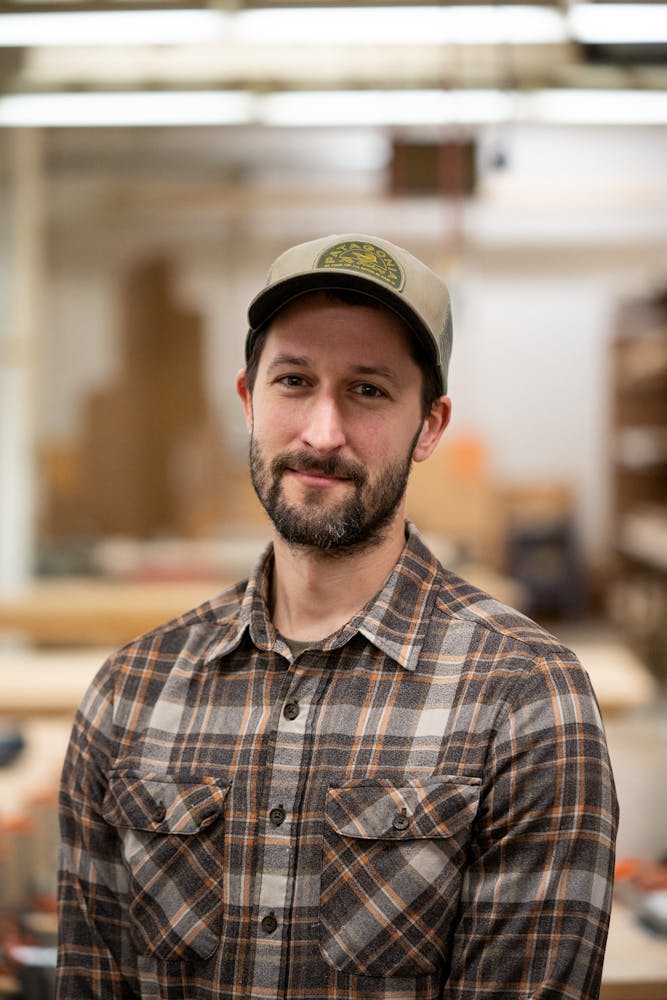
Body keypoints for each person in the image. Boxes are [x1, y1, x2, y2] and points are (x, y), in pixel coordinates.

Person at [57, 233, 618, 1000]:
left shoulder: (525, 700)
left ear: (429, 424)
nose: (322, 433)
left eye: (368, 391)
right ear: (250, 401)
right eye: (293, 380)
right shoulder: (130, 693)